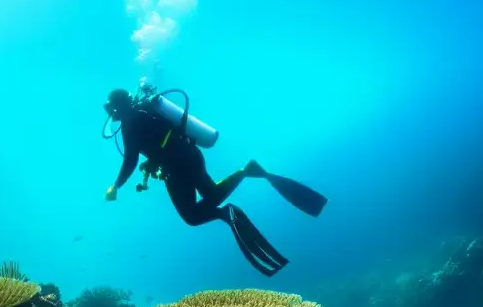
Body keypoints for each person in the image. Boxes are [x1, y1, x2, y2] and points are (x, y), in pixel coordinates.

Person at [102, 87, 327, 277]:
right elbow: (159, 141)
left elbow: (130, 159)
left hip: (177, 169)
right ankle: (246, 171)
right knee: (210, 193)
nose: (112, 114)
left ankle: (226, 209)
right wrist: (152, 162)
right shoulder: (146, 110)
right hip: (191, 155)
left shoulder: (130, 122)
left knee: (192, 216)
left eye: (112, 109)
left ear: (117, 107)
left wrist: (116, 186)